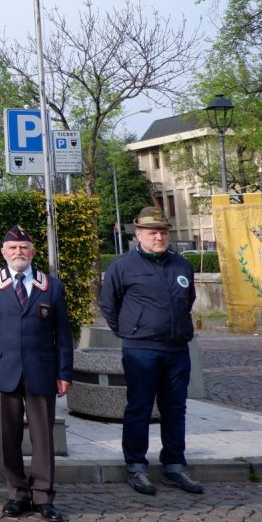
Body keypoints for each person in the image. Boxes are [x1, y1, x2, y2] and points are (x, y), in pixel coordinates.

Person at [0, 226, 73, 522]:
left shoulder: (51, 286)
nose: (19, 252)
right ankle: (17, 493)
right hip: (2, 369)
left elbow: (63, 335)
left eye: (24, 247)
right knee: (7, 436)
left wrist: (64, 372)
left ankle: (43, 495)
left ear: (33, 252)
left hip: (42, 370)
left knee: (43, 437)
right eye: (13, 248)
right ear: (3, 253)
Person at [100, 206, 203, 497]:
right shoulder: (122, 266)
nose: (158, 237)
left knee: (175, 409)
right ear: (139, 234)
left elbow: (187, 300)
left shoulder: (181, 265)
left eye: (162, 232)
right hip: (141, 350)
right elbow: (108, 305)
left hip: (177, 349)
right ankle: (136, 465)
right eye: (152, 232)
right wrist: (131, 331)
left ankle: (174, 464)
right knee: (139, 407)